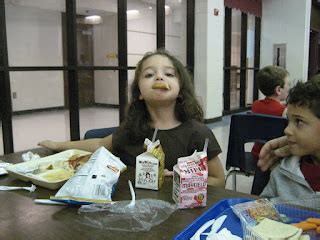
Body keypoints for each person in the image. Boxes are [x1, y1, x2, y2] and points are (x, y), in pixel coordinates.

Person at [39, 49, 225, 187]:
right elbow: (98, 145)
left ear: (180, 91)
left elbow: (219, 180)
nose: (159, 77)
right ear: (139, 94)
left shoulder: (198, 133)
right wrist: (58, 145)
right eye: (149, 74)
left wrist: (183, 178)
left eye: (168, 74)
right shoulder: (134, 128)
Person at [260, 78, 320, 199]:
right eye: (289, 121)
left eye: (298, 121)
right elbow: (264, 208)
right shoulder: (282, 172)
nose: (286, 130)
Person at [250, 65, 289, 195]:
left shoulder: (255, 105)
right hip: (275, 157)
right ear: (278, 89)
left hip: (256, 154)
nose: (289, 88)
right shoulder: (283, 111)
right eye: (287, 84)